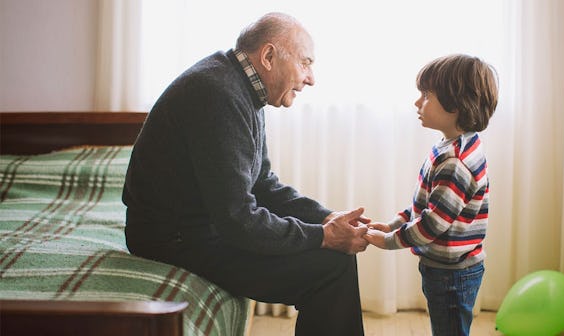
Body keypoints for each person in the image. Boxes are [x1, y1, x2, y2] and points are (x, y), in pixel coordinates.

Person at [123, 12, 370, 336]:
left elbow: (262, 183)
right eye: (305, 62)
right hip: (173, 239)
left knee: (333, 260)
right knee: (331, 267)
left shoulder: (238, 86)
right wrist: (323, 236)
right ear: (268, 56)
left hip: (198, 227)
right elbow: (237, 219)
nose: (310, 78)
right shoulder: (217, 94)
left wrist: (327, 218)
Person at [364, 54, 498, 336]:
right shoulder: (451, 147)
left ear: (456, 104)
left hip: (453, 274)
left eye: (426, 95)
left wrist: (389, 240)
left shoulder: (455, 162)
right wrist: (391, 224)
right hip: (448, 268)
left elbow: (433, 223)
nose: (417, 102)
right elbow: (424, 205)